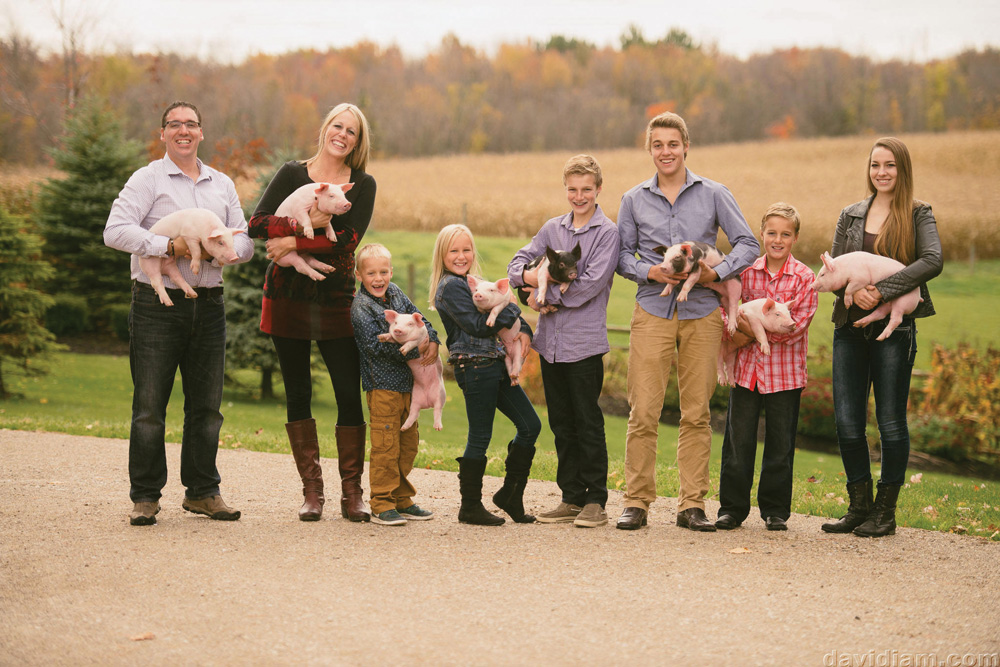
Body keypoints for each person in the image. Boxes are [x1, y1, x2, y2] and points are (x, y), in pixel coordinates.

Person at [104, 100, 254, 526]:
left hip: (209, 303)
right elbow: (115, 231)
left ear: (201, 132)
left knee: (207, 407)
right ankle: (145, 496)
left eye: (191, 124)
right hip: (156, 304)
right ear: (163, 133)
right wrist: (169, 247)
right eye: (174, 124)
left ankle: (203, 492)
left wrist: (226, 250)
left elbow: (243, 239)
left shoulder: (222, 184)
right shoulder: (147, 179)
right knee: (150, 406)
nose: (183, 130)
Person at [615, 111, 759, 531]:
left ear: (686, 147)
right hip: (652, 310)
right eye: (658, 145)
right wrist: (649, 271)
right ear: (650, 149)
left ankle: (691, 505)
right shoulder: (633, 199)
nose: (666, 152)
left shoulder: (714, 193)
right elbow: (621, 255)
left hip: (702, 314)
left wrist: (717, 273)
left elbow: (748, 243)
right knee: (643, 411)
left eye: (673, 144)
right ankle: (636, 502)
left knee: (696, 413)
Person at [248, 103, 376, 522]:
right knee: (298, 392)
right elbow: (257, 224)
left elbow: (348, 239)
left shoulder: (362, 184)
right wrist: (291, 233)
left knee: (347, 393)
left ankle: (352, 493)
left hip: (336, 298)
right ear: (325, 129)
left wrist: (292, 243)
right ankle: (312, 492)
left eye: (352, 131)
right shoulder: (292, 174)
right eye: (337, 126)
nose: (342, 135)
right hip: (287, 295)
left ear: (358, 141)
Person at [821, 137, 942, 538]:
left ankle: (885, 512)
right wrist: (853, 293)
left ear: (902, 169)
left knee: (890, 422)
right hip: (849, 329)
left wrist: (882, 292)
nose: (882, 172)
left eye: (889, 165)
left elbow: (932, 260)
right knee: (847, 422)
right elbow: (835, 269)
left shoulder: (919, 213)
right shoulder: (851, 214)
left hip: (895, 331)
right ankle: (859, 507)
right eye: (875, 165)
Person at [507, 155, 619, 528]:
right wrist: (528, 286)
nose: (579, 196)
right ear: (565, 189)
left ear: (598, 189)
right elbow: (515, 266)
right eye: (572, 189)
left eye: (586, 189)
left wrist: (542, 298)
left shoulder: (607, 233)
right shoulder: (552, 229)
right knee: (561, 422)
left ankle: (596, 500)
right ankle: (571, 497)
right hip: (550, 344)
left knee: (587, 421)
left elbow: (589, 286)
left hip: (584, 344)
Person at [715, 203, 818, 532]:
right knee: (738, 441)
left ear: (795, 238)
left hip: (785, 374)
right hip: (746, 372)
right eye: (771, 233)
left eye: (785, 234)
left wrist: (748, 330)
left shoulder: (805, 278)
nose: (777, 240)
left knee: (780, 443)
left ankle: (775, 510)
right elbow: (727, 311)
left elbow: (796, 327)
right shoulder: (746, 272)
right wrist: (745, 330)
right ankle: (732, 508)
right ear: (761, 234)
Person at [430, 224, 540, 526]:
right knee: (480, 436)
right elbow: (479, 326)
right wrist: (513, 310)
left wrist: (523, 327)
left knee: (530, 425)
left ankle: (510, 495)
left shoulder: (472, 283)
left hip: (494, 363)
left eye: (466, 249)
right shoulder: (450, 287)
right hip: (475, 367)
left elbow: (499, 311)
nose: (461, 256)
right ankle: (470, 506)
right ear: (442, 254)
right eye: (454, 250)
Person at [350, 243, 439, 526]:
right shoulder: (361, 308)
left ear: (391, 271)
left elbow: (420, 319)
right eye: (371, 273)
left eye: (383, 272)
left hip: (408, 387)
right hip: (383, 387)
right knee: (386, 446)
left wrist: (433, 340)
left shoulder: (397, 293)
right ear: (359, 275)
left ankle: (402, 498)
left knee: (407, 445)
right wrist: (417, 350)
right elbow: (375, 347)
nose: (378, 279)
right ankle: (382, 503)